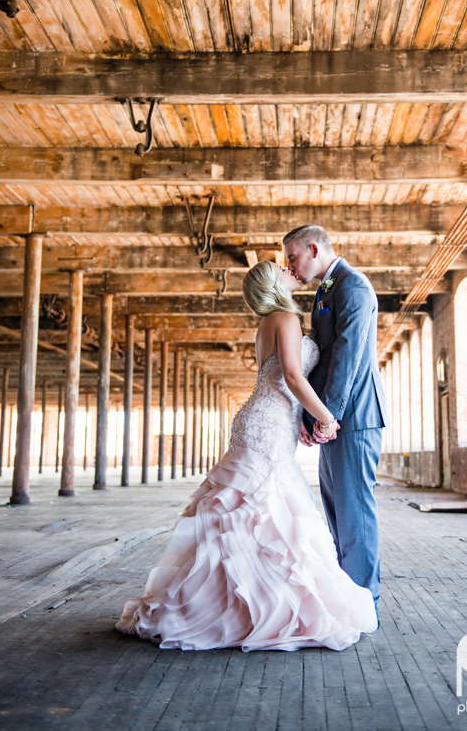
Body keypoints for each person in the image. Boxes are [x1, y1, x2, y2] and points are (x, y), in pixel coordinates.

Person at [116, 260, 377, 651]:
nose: (290, 269)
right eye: (282, 268)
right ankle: (243, 608)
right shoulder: (286, 316)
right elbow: (291, 376)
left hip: (267, 419)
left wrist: (303, 419)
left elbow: (279, 380)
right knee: (261, 513)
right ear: (274, 283)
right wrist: (325, 417)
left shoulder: (270, 321)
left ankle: (239, 603)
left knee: (251, 515)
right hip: (268, 425)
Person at [283, 225, 389, 624]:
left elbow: (348, 358)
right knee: (338, 516)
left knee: (355, 515)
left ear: (313, 248)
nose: (291, 267)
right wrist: (313, 415)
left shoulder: (353, 286)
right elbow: (324, 361)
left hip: (354, 418)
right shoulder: (327, 290)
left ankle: (366, 609)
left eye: (293, 258)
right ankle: (350, 602)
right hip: (336, 420)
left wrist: (329, 417)